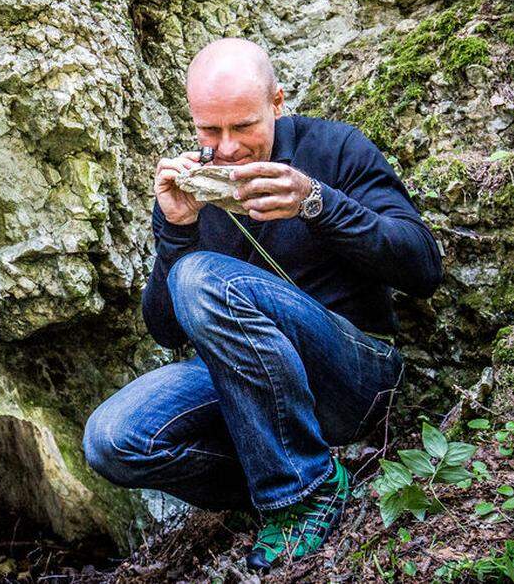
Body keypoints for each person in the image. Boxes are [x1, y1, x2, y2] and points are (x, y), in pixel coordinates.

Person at [81, 37, 444, 571]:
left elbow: (423, 269)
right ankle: (283, 477)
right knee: (112, 441)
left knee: (202, 277)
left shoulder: (334, 148)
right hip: (246, 389)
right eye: (210, 129)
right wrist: (177, 231)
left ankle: (302, 491)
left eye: (243, 126)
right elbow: (165, 331)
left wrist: (316, 203)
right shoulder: (197, 184)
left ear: (277, 102)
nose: (226, 148)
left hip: (354, 375)